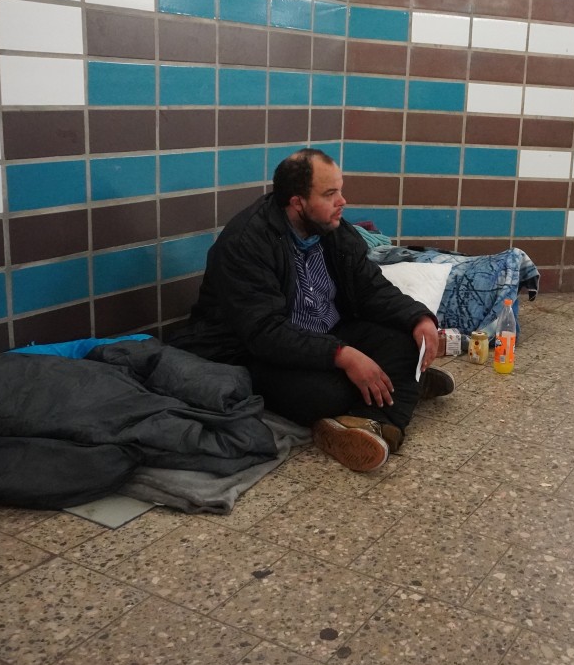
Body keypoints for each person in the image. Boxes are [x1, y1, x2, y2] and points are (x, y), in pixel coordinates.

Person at [170, 148, 454, 472]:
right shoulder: (247, 242)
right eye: (330, 193)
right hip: (251, 351)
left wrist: (418, 318)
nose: (342, 201)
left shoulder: (333, 230)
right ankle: (401, 387)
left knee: (405, 341)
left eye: (340, 190)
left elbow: (371, 288)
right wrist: (344, 355)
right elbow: (264, 332)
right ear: (297, 202)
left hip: (324, 334)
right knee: (325, 392)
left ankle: (376, 424)